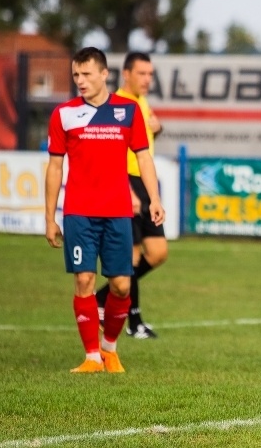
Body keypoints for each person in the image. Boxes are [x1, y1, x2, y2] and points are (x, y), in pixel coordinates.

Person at [44, 47, 164, 374]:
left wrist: (154, 198)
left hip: (118, 212)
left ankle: (110, 348)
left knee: (121, 285)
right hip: (79, 212)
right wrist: (49, 216)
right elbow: (55, 168)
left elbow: (143, 157)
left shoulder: (128, 111)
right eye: (75, 76)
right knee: (84, 279)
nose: (80, 81)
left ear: (104, 74)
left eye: (85, 75)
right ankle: (91, 357)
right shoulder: (64, 114)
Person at [95, 52, 167, 339]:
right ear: (126, 74)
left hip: (145, 184)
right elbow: (110, 152)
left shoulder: (142, 104)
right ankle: (133, 321)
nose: (147, 79)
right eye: (142, 74)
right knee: (132, 256)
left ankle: (103, 297)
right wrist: (125, 188)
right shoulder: (117, 106)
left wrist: (158, 130)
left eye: (150, 74)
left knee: (158, 253)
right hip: (125, 182)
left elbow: (142, 146)